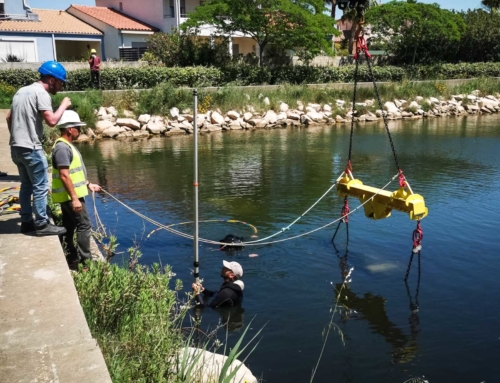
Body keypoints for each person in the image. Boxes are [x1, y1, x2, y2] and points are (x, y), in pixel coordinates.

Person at [7, 61, 71, 236]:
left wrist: (16, 137)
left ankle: (27, 222)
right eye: (60, 82)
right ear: (51, 80)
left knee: (26, 185)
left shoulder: (21, 91)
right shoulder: (41, 93)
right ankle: (42, 224)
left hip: (16, 147)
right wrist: (63, 106)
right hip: (31, 147)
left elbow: (8, 117)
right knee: (41, 186)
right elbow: (51, 121)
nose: (61, 86)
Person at [52, 110, 101, 268]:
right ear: (69, 129)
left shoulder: (66, 146)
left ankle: (71, 256)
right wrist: (74, 199)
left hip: (70, 196)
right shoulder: (62, 148)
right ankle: (86, 263)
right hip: (71, 197)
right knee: (84, 225)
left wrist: (88, 184)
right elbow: (64, 175)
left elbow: (74, 173)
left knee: (69, 225)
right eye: (77, 128)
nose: (80, 131)